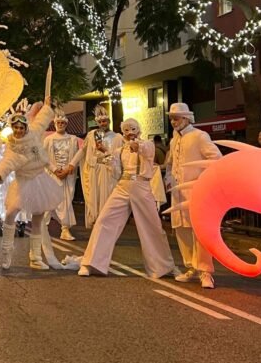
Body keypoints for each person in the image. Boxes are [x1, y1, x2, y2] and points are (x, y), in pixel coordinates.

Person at [79, 118, 178, 278]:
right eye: (126, 130)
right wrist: (105, 152)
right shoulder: (121, 150)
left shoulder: (148, 144)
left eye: (132, 129)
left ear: (138, 130)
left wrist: (137, 146)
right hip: (123, 187)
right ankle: (92, 263)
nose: (130, 132)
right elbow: (115, 168)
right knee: (104, 220)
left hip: (141, 187)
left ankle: (164, 267)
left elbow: (145, 150)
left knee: (152, 227)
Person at [0, 101, 64, 270]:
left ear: (25, 128)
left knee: (38, 218)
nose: (18, 131)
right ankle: (7, 252)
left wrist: (47, 105)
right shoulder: (12, 146)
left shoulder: (34, 133)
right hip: (22, 182)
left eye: (21, 128)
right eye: (15, 128)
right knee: (10, 213)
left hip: (40, 180)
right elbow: (8, 161)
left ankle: (35, 257)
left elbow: (42, 120)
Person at [167, 102, 222, 289]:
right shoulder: (174, 139)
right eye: (172, 119)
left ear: (186, 118)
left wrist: (202, 180)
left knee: (200, 231)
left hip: (196, 191)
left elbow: (216, 159)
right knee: (181, 229)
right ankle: (190, 267)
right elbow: (171, 163)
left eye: (176, 118)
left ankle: (206, 271)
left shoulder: (199, 136)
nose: (173, 122)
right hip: (177, 192)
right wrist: (168, 179)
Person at [78, 104, 122, 229]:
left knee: (107, 197)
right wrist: (71, 164)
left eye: (105, 121)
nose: (103, 123)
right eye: (101, 121)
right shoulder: (92, 135)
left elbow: (118, 155)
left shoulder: (117, 137)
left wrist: (105, 149)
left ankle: (106, 222)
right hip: (94, 170)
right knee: (93, 197)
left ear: (109, 121)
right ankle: (95, 221)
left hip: (108, 171)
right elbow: (83, 151)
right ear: (97, 122)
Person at [44, 113, 81, 241]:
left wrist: (67, 169)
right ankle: (42, 228)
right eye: (58, 123)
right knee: (49, 200)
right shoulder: (48, 139)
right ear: (55, 124)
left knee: (66, 201)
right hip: (52, 175)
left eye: (63, 123)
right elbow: (44, 157)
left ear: (66, 124)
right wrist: (54, 170)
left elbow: (78, 156)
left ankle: (65, 229)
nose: (60, 125)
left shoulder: (73, 139)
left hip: (68, 175)